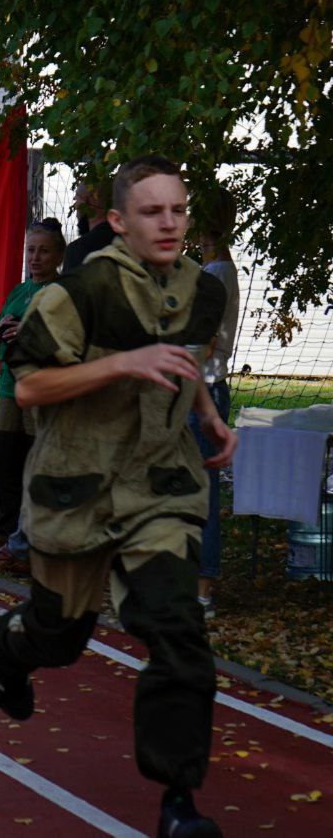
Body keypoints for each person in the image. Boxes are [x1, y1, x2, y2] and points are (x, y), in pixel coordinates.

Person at [0, 156, 235, 838]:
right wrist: (122, 361)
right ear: (119, 222)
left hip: (160, 487)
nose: (170, 222)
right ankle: (10, 645)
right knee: (61, 636)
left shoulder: (200, 291)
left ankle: (179, 800)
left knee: (177, 628)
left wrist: (207, 411)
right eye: (152, 212)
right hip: (79, 487)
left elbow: (180, 357)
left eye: (178, 209)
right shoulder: (78, 292)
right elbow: (30, 388)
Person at [0, 219, 66, 570]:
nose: (35, 258)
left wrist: (29, 331)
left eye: (43, 251)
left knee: (33, 465)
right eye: (31, 250)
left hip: (40, 388)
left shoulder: (59, 293)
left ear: (59, 255)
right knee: (7, 462)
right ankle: (5, 531)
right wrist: (1, 333)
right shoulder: (20, 291)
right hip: (11, 387)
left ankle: (32, 540)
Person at [189, 186, 240, 620]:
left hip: (204, 390)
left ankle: (203, 588)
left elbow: (202, 344)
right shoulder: (207, 269)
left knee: (201, 492)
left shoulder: (217, 273)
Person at [63, 180, 115, 273]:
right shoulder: (130, 241)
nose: (75, 206)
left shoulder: (77, 250)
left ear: (87, 204)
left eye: (76, 200)